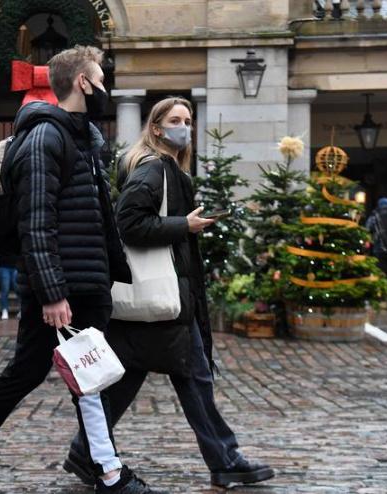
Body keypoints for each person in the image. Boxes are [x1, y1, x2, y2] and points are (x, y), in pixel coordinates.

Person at [0, 45, 165, 494]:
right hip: (65, 287)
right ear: (83, 82)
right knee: (53, 374)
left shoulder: (83, 140)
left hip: (85, 281)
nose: (104, 87)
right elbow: (36, 222)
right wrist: (52, 292)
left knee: (75, 376)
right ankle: (105, 473)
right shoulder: (46, 137)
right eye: (100, 79)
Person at [62, 97, 274, 489]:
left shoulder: (164, 168)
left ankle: (84, 450)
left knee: (133, 378)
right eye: (175, 120)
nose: (185, 127)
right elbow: (128, 222)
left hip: (156, 301)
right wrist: (183, 225)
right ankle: (225, 459)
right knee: (194, 376)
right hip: (163, 299)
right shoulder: (155, 168)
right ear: (156, 128)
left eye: (188, 120)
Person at [0, 254, 19, 321]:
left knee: (18, 288)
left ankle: (21, 309)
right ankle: (4, 310)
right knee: (5, 288)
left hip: (16, 265)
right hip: (3, 265)